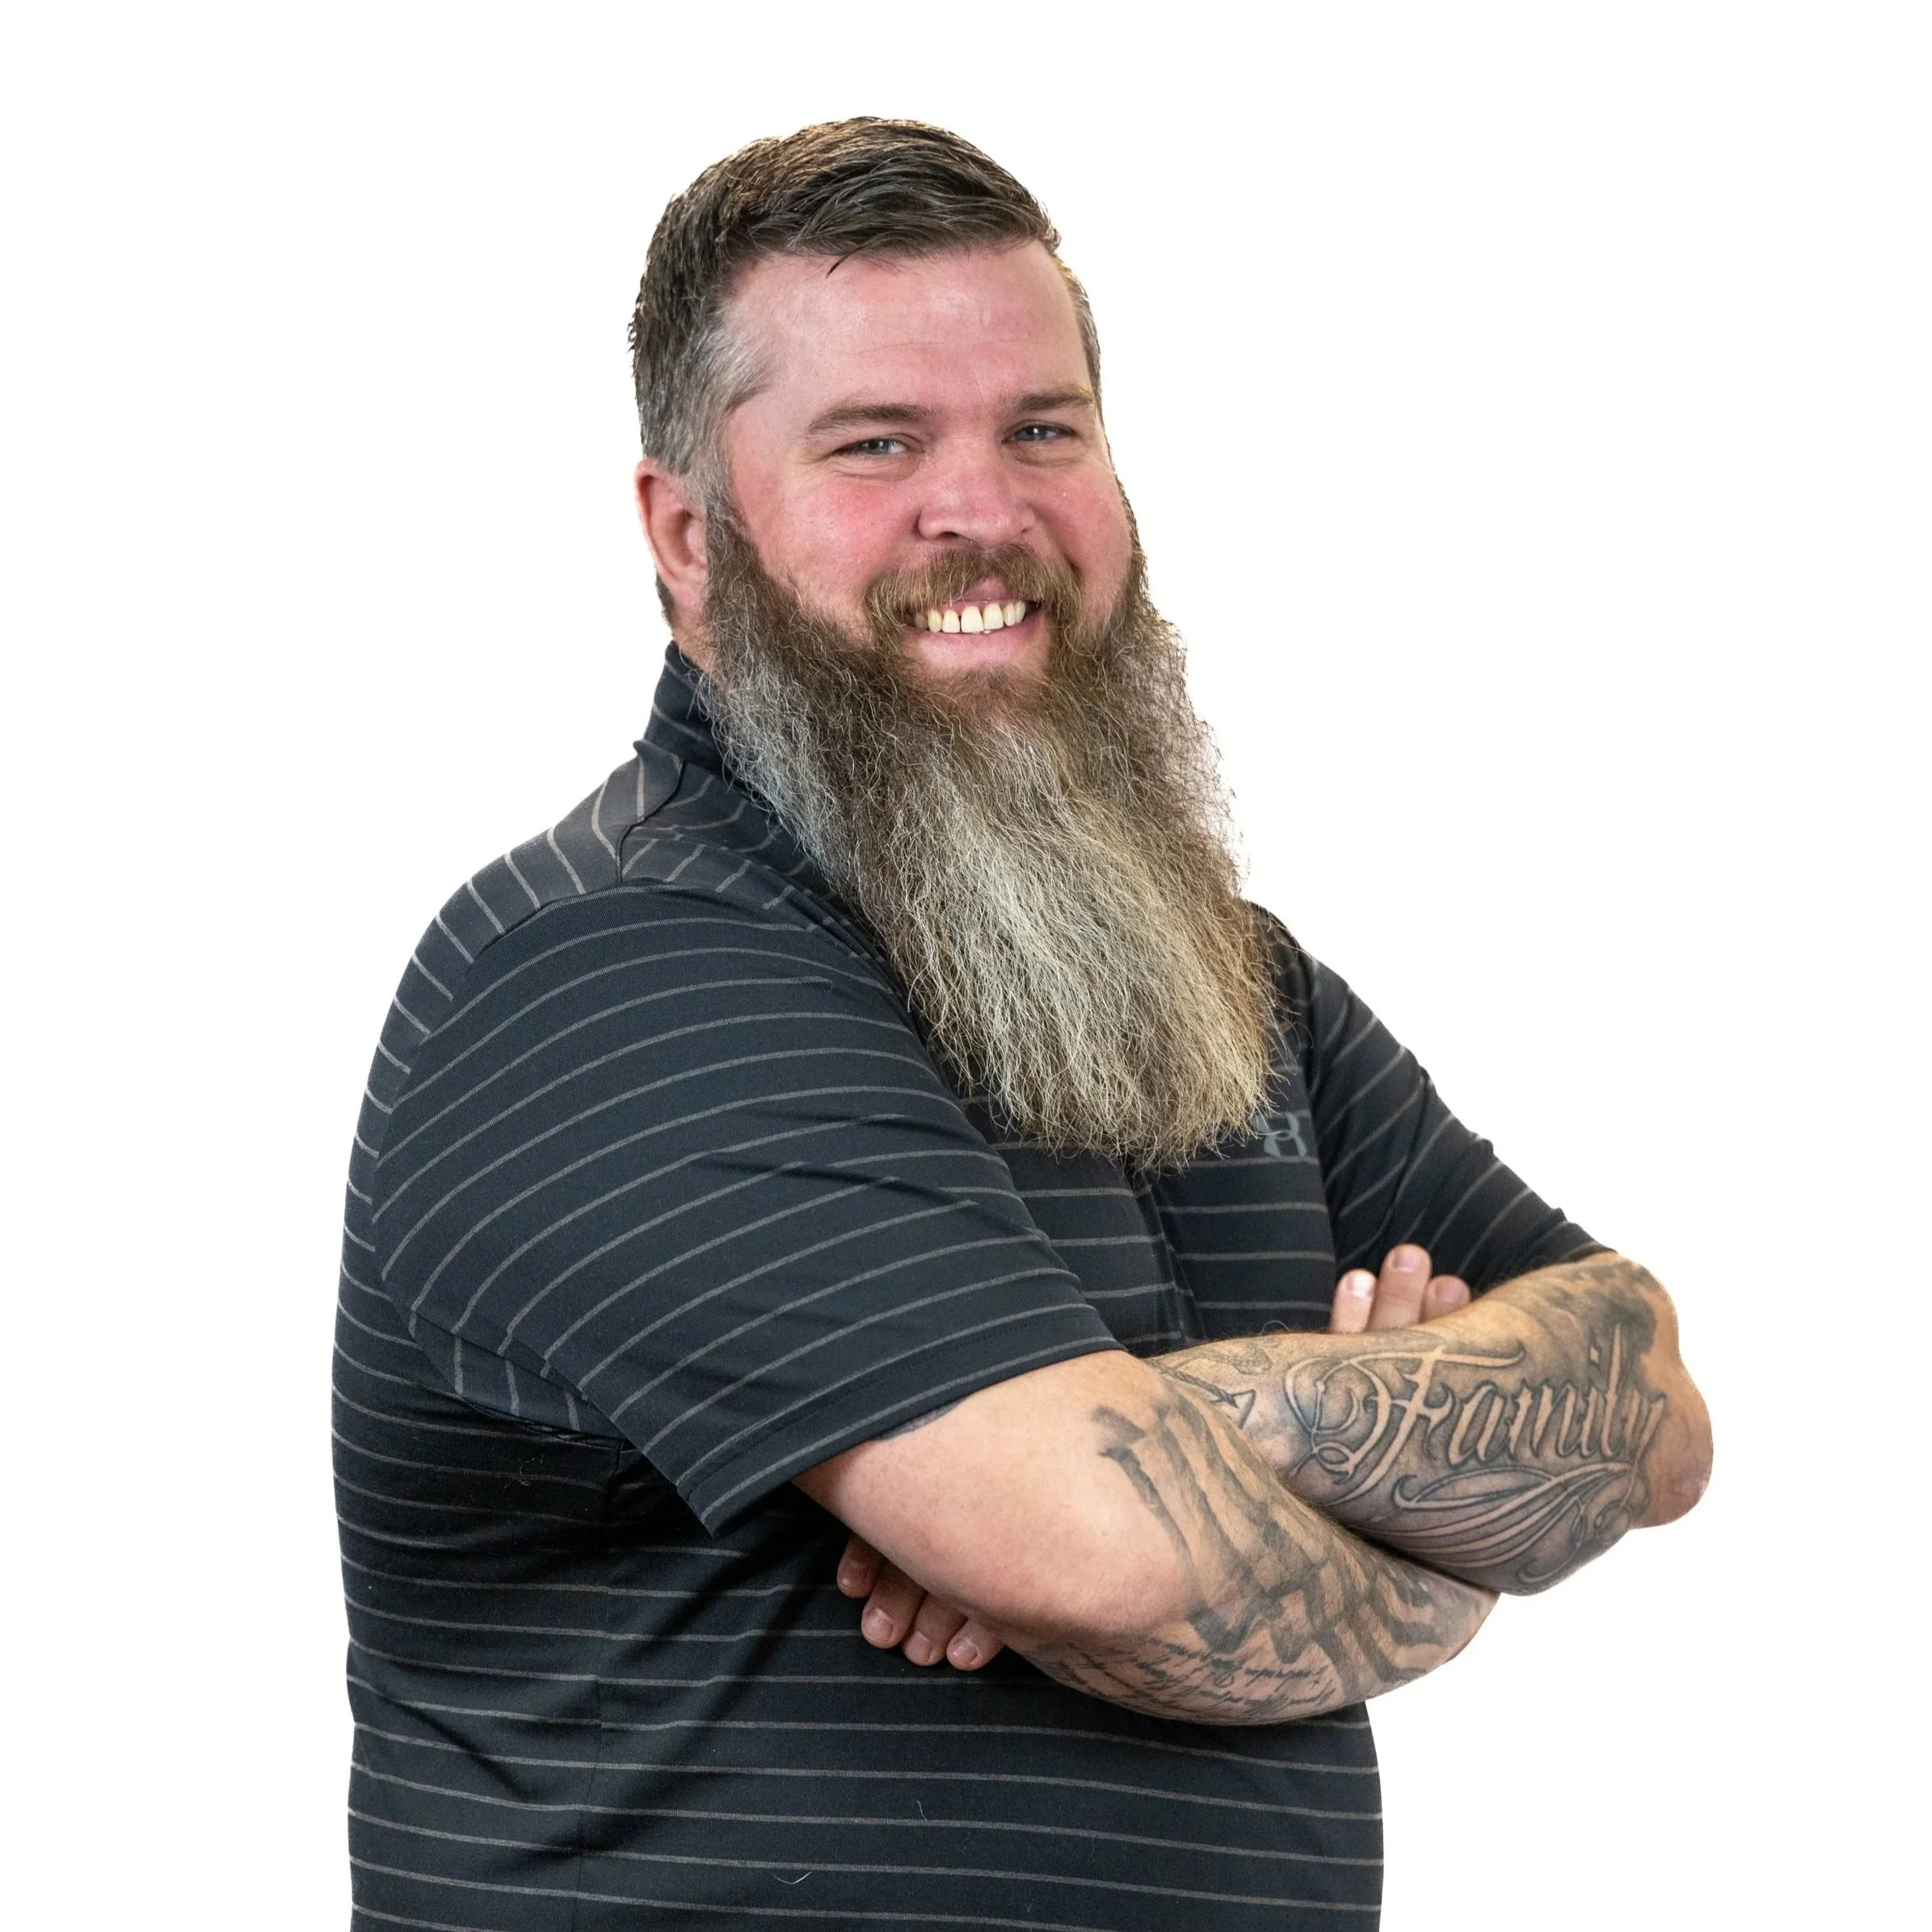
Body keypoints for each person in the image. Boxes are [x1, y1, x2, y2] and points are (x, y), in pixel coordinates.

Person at [334, 118, 1711, 1931]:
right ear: (686, 535)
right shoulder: (610, 973)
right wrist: (1442, 1547)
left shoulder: (1218, 977)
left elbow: (1654, 1407)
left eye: (1041, 430)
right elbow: (1120, 1563)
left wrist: (1190, 1428)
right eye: (875, 443)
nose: (979, 512)